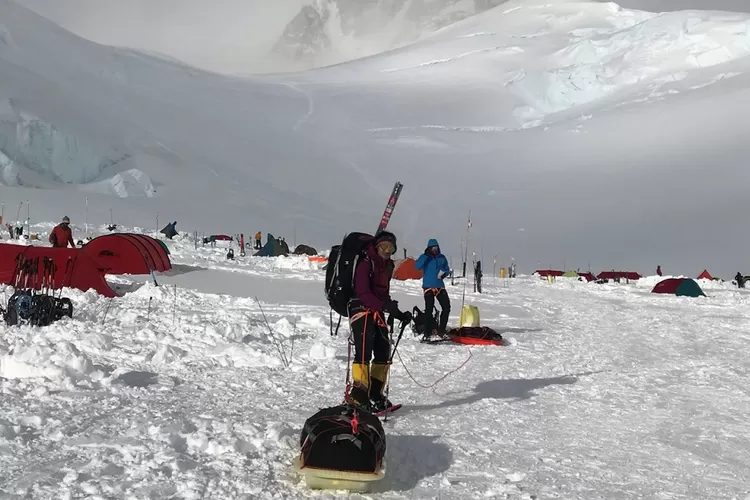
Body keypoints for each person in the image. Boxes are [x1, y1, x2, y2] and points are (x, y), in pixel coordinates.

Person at [348, 231, 412, 412]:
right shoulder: (365, 263)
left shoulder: (387, 266)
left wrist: (398, 313)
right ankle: (359, 396)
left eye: (390, 247)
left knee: (383, 352)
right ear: (377, 246)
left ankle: (375, 394)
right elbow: (363, 292)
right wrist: (384, 306)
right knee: (364, 352)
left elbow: (383, 293)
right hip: (360, 308)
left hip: (376, 310)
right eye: (384, 246)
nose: (387, 250)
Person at [415, 238, 452, 341]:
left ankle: (441, 331)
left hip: (439, 285)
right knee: (429, 309)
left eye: (436, 247)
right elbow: (417, 266)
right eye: (432, 248)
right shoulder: (424, 257)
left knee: (446, 307)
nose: (435, 249)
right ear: (429, 248)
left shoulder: (442, 257)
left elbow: (446, 269)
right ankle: (427, 334)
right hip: (428, 287)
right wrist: (426, 256)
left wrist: (445, 273)